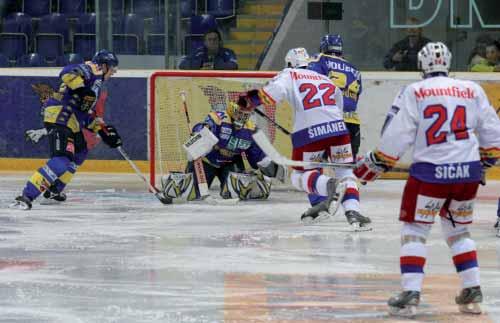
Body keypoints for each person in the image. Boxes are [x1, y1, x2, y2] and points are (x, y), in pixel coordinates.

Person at [354, 42, 500, 316]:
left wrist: (372, 166)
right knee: (458, 231)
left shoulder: (415, 91)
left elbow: (397, 137)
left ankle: (411, 292)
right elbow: (493, 135)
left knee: (415, 231)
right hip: (466, 172)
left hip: (431, 174)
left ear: (422, 65)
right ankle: (472, 287)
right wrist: (483, 165)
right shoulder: (472, 89)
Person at [238, 47, 370, 229]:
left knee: (300, 175)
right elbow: (338, 105)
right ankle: (352, 212)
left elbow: (272, 92)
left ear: (290, 64)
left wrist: (250, 101)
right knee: (345, 172)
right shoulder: (325, 79)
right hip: (339, 129)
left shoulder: (290, 74)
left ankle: (329, 185)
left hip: (310, 132)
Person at [10, 50, 122, 210]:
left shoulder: (96, 83)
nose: (114, 72)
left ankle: (54, 190)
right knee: (61, 161)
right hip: (60, 117)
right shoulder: (91, 69)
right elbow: (67, 72)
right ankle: (26, 196)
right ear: (104, 65)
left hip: (72, 120)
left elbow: (84, 113)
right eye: (112, 68)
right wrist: (81, 89)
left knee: (80, 152)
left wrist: (103, 131)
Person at [160, 102, 287, 201]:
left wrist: (270, 165)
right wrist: (199, 133)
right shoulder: (218, 118)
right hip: (207, 161)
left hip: (230, 163)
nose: (242, 117)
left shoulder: (251, 130)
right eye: (239, 113)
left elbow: (257, 155)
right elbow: (203, 127)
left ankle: (241, 186)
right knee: (188, 193)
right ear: (232, 111)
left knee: (236, 192)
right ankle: (175, 181)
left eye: (245, 115)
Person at [308, 34, 369, 227]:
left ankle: (320, 204)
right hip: (352, 124)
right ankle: (353, 212)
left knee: (310, 165)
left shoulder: (319, 60)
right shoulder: (355, 69)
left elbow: (310, 83)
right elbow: (356, 96)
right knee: (345, 171)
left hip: (329, 121)